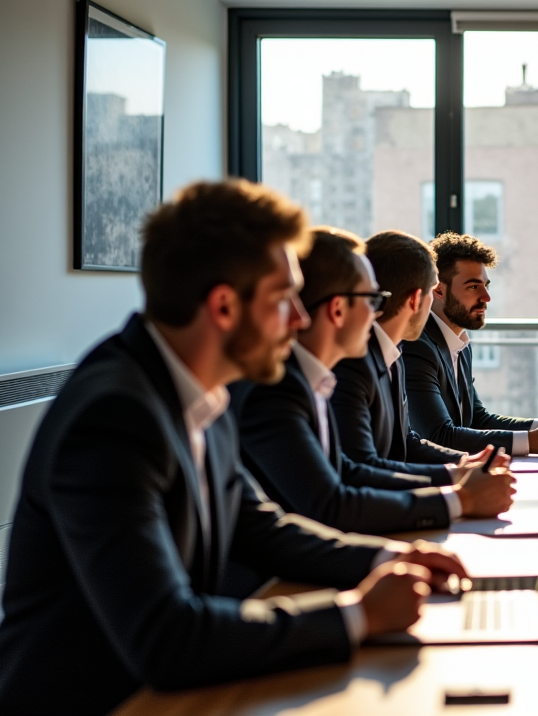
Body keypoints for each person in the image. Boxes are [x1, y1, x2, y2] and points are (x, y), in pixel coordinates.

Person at [0, 181, 469, 715]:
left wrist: (393, 557)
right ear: (224, 306)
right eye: (283, 298)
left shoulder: (202, 390)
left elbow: (261, 526)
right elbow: (167, 636)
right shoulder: (114, 415)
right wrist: (357, 615)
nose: (299, 318)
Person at [233, 228, 515, 535]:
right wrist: (460, 495)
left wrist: (460, 473)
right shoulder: (286, 388)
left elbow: (354, 466)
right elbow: (334, 498)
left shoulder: (323, 376)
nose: (377, 314)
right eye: (371, 299)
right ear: (338, 308)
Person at [404, 231, 538, 455]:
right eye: (473, 287)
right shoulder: (416, 345)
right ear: (439, 290)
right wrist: (532, 441)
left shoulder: (460, 344)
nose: (486, 297)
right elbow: (439, 435)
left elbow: (478, 419)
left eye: (486, 286)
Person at [331, 231, 468, 484]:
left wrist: (467, 464)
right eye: (432, 293)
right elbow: (362, 469)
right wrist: (455, 480)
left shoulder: (395, 353)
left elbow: (406, 442)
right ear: (416, 299)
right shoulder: (353, 364)